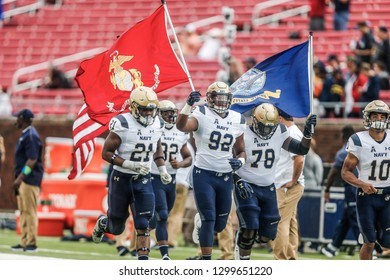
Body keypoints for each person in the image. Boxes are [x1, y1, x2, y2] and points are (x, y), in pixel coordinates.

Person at [91, 86, 172, 260]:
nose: (149, 114)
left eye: (152, 110)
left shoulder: (157, 123)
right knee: (117, 227)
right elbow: (106, 153)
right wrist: (129, 164)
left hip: (143, 179)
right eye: (145, 110)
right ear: (134, 107)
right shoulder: (122, 123)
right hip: (121, 179)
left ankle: (143, 262)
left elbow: (156, 146)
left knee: (144, 224)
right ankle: (103, 223)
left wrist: (162, 168)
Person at [233, 103, 316, 260]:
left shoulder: (280, 131)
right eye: (263, 126)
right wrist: (237, 180)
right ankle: (242, 256)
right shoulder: (243, 134)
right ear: (255, 121)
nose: (267, 130)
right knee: (250, 227)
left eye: (270, 127)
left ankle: (244, 237)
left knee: (268, 234)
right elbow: (231, 161)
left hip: (269, 186)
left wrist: (307, 135)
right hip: (247, 184)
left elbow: (301, 150)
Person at [176, 81, 247, 260]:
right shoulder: (201, 113)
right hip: (204, 173)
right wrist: (188, 106)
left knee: (220, 224)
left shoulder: (237, 119)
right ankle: (206, 260)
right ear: (209, 98)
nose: (222, 102)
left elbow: (240, 150)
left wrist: (241, 161)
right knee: (209, 218)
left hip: (224, 176)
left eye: (225, 99)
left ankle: (200, 222)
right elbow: (181, 126)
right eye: (218, 98)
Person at [341, 100, 390, 260]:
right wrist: (362, 184)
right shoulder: (358, 140)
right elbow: (345, 172)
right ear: (367, 117)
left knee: (388, 243)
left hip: (388, 196)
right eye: (374, 115)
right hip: (366, 197)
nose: (378, 119)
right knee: (369, 242)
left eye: (382, 116)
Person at [150, 100, 193, 260]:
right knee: (162, 214)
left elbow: (188, 157)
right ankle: (165, 253)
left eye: (173, 113)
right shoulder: (153, 129)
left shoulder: (180, 131)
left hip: (172, 179)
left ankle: (160, 246)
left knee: (164, 215)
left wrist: (180, 163)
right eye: (167, 113)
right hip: (154, 176)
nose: (171, 116)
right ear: (159, 114)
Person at [321, 125, 361, 258]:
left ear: (343, 136)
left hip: (352, 190)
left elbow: (333, 172)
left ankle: (366, 247)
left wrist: (327, 189)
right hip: (361, 188)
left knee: (355, 221)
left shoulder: (344, 152)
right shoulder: (360, 149)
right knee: (346, 219)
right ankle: (333, 247)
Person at [271, 109, 306, 260]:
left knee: (280, 223)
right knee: (290, 222)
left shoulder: (291, 133)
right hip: (289, 184)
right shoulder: (293, 131)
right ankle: (291, 257)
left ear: (280, 118)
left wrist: (293, 180)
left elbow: (299, 159)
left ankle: (281, 258)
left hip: (287, 185)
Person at [11, 109, 44, 252]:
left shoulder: (30, 136)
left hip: (29, 180)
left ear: (23, 119)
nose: (16, 120)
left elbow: (32, 160)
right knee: (24, 211)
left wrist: (20, 178)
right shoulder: (25, 135)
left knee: (30, 212)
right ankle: (24, 240)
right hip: (23, 180)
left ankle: (31, 243)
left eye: (17, 117)